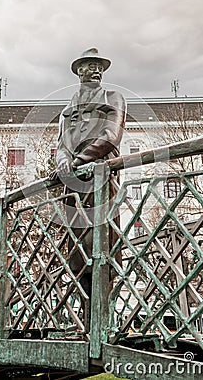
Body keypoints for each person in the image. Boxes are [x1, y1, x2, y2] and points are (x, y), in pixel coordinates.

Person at [51, 48, 126, 312]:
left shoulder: (113, 98)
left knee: (104, 251)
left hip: (101, 181)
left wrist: (79, 161)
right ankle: (86, 320)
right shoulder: (68, 110)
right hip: (74, 189)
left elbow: (111, 134)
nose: (96, 70)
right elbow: (61, 144)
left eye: (99, 66)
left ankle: (103, 320)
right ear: (79, 71)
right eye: (90, 65)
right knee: (77, 257)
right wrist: (62, 163)